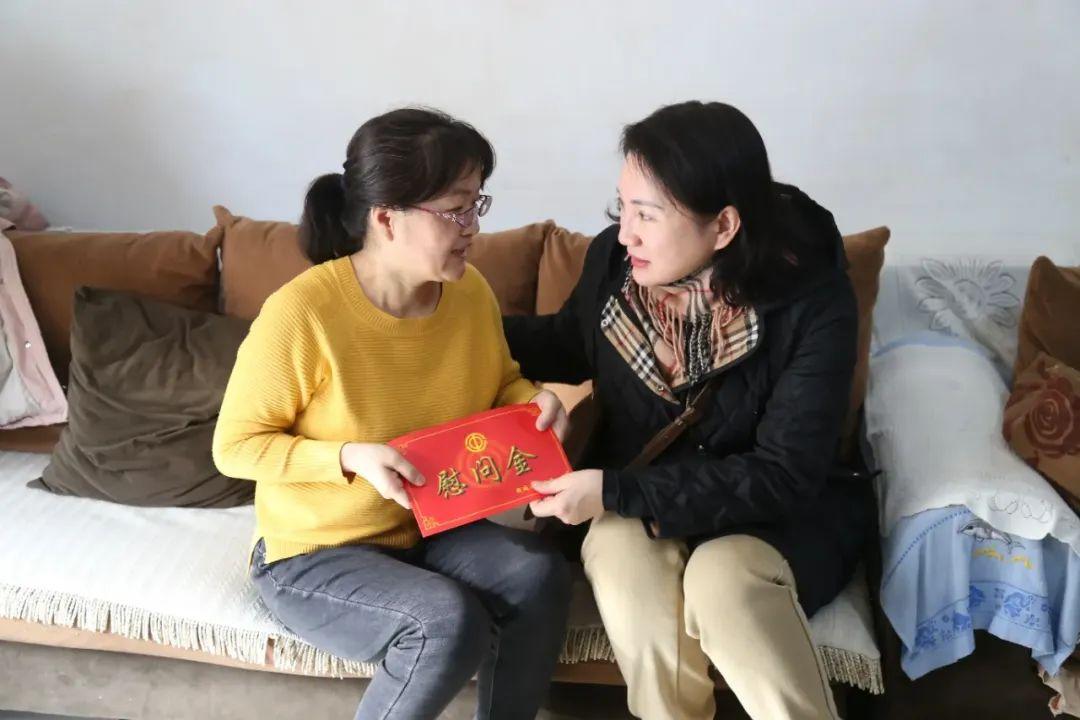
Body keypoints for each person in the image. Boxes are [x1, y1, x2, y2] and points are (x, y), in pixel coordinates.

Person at [508, 101, 872, 720]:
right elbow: (569, 341)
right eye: (622, 208)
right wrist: (453, 330)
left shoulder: (812, 300)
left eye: (647, 215)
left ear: (723, 226)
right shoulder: (615, 263)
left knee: (722, 581)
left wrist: (614, 490)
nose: (626, 233)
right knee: (617, 550)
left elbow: (784, 474)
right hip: (645, 499)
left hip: (778, 514)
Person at [213, 107, 572, 720]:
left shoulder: (470, 292)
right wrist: (348, 458)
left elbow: (500, 383)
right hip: (313, 553)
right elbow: (235, 447)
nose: (472, 227)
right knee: (444, 622)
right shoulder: (303, 313)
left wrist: (533, 403)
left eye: (477, 205)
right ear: (386, 218)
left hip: (433, 528)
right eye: (455, 210)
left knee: (538, 573)